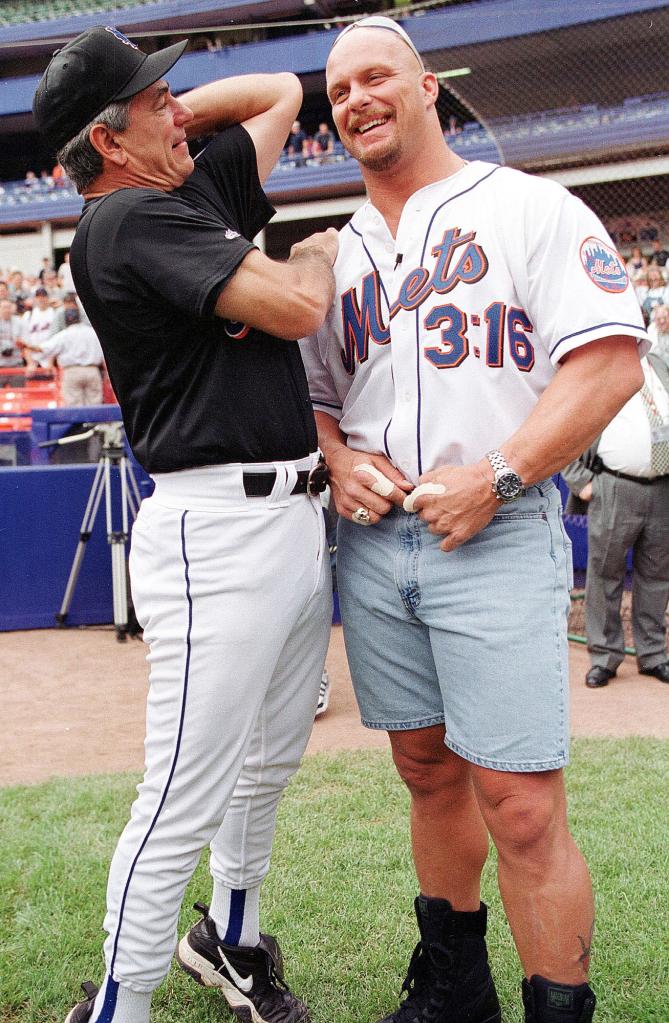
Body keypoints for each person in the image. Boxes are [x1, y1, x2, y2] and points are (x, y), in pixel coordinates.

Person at [300, 16, 648, 1023]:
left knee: (524, 806)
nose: (356, 99)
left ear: (425, 87)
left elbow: (610, 364)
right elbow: (320, 396)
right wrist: (336, 458)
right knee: (425, 771)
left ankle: (558, 1006)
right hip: (377, 545)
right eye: (338, 90)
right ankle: (457, 992)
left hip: (492, 528)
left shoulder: (527, 207)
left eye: (376, 76)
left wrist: (497, 475)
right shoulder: (338, 251)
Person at [33, 25, 338, 1023]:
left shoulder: (172, 188)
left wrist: (160, 116)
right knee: (178, 800)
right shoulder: (125, 219)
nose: (180, 105)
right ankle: (119, 1007)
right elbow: (296, 306)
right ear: (110, 145)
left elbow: (281, 98)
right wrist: (322, 259)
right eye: (156, 98)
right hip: (221, 532)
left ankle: (233, 944)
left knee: (269, 762)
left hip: (288, 519)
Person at [562, 352, 669, 688]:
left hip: (662, 487)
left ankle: (653, 654)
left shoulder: (659, 364)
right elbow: (566, 423)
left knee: (656, 575)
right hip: (614, 487)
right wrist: (582, 482)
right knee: (605, 572)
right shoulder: (599, 365)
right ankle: (604, 657)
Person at [20, 304, 104, 405]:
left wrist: (27, 346)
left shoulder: (65, 334)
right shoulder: (93, 333)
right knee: (95, 406)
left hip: (72, 372)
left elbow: (43, 348)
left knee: (74, 408)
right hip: (92, 370)